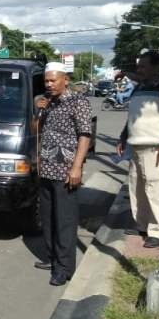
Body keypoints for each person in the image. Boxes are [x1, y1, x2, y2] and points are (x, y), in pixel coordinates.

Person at [34, 62, 93, 286]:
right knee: (48, 219)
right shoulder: (47, 103)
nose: (48, 84)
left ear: (65, 79)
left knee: (65, 221)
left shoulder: (79, 102)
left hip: (66, 171)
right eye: (46, 81)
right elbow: (35, 130)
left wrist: (77, 167)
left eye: (52, 80)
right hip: (46, 169)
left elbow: (85, 135)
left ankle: (64, 268)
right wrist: (39, 111)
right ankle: (52, 258)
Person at [118, 51, 159, 249]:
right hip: (136, 146)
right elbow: (132, 117)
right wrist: (123, 137)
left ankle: (158, 231)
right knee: (137, 188)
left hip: (157, 148)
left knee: (156, 189)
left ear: (157, 67)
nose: (139, 69)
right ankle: (141, 225)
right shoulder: (139, 88)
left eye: (143, 66)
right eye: (139, 66)